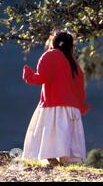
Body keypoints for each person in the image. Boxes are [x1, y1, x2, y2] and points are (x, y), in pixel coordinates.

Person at [22, 31, 88, 167]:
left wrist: (29, 76)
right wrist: (80, 106)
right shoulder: (73, 61)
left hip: (53, 104)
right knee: (66, 138)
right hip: (71, 108)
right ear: (71, 46)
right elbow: (79, 85)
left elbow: (42, 77)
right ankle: (63, 164)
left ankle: (52, 161)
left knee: (50, 136)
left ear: (53, 42)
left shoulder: (50, 55)